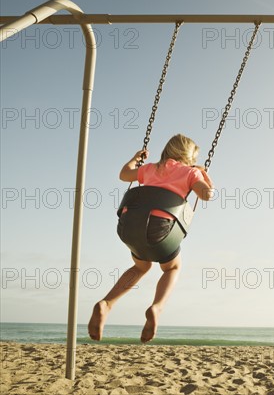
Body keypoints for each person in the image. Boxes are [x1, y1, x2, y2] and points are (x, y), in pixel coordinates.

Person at [88, 134, 214, 343]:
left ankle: (106, 303)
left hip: (129, 226)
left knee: (140, 267)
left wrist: (135, 159)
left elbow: (123, 175)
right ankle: (157, 307)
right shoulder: (191, 173)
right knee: (172, 267)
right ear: (190, 157)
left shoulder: (150, 169)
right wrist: (203, 176)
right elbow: (207, 195)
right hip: (159, 231)